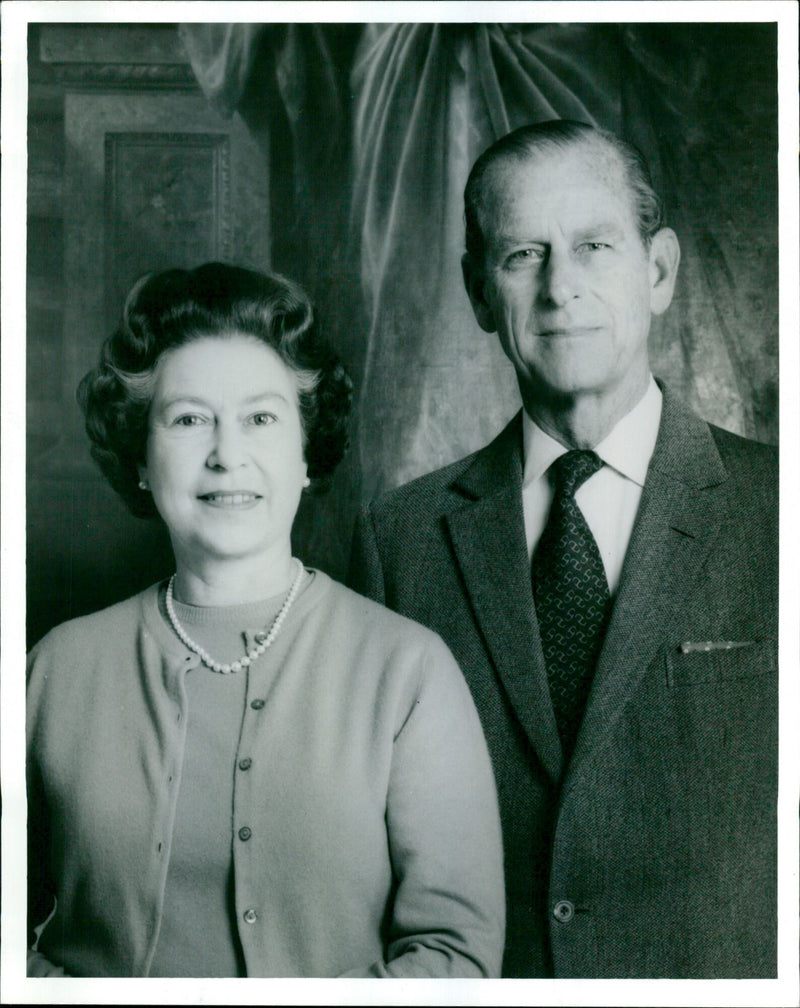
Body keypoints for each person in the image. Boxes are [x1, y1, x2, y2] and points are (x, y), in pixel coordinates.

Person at [349, 120, 777, 978]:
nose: (559, 288)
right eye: (522, 257)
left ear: (656, 272)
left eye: (593, 246)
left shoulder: (782, 510)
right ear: (479, 294)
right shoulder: (401, 539)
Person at [26, 262, 505, 978]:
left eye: (260, 418)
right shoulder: (55, 668)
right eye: (189, 419)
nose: (227, 455)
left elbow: (455, 958)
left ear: (306, 451)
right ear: (139, 458)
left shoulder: (407, 669)